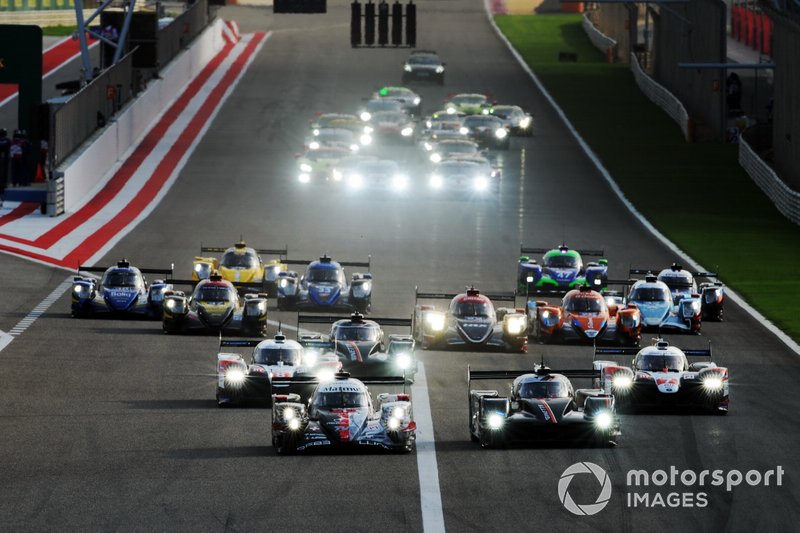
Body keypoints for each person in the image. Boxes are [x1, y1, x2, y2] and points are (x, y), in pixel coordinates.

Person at [0, 128, 10, 204]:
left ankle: (3, 185)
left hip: (4, 159)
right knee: (4, 173)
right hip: (5, 159)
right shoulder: (8, 140)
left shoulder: (7, 141)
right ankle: (4, 184)